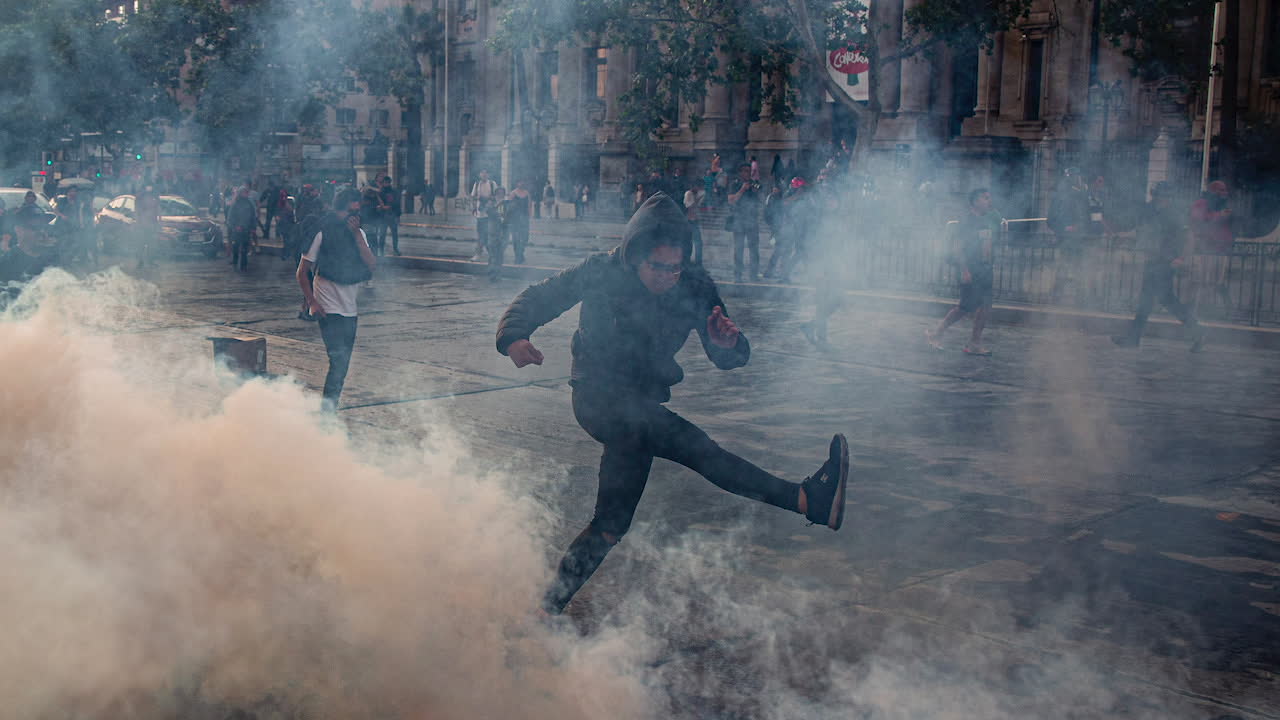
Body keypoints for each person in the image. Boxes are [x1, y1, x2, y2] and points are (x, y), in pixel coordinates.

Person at [495, 192, 851, 616]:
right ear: (634, 256)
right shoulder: (602, 271)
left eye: (675, 267)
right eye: (658, 267)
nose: (668, 276)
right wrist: (514, 337)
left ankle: (547, 606)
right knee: (700, 449)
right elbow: (540, 296)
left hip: (642, 406)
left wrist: (729, 343)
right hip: (599, 398)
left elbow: (729, 354)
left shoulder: (696, 285)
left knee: (611, 525)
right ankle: (805, 498)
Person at [296, 188, 376, 413]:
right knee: (338, 361)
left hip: (350, 308)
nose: (358, 214)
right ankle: (327, 414)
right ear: (345, 207)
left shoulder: (358, 233)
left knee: (343, 364)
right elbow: (302, 272)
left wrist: (358, 236)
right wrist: (312, 302)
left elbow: (371, 265)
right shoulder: (322, 230)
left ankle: (330, 408)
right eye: (354, 207)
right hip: (327, 307)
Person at [1112, 182, 1204, 352]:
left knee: (1149, 301)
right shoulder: (1154, 213)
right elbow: (1145, 232)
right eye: (1156, 195)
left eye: (1160, 195)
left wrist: (1181, 259)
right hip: (1154, 262)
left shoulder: (1175, 215)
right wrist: (1125, 236)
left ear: (1167, 197)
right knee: (1163, 301)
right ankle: (1197, 331)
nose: (1157, 198)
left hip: (1165, 263)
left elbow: (1189, 237)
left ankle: (1133, 339)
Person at [926, 188, 1005, 356]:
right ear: (975, 201)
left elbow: (988, 244)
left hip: (985, 269)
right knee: (965, 307)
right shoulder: (967, 222)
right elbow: (958, 248)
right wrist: (964, 270)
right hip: (971, 268)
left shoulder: (985, 221)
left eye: (989, 198)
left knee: (985, 306)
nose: (988, 201)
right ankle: (936, 334)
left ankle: (974, 343)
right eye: (985, 198)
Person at [1046, 167, 1091, 303]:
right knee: (1065, 268)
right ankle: (1058, 295)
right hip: (1067, 239)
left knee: (1078, 268)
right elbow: (1051, 219)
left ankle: (1079, 297)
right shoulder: (1061, 196)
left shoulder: (1080, 195)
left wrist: (1079, 227)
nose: (1079, 179)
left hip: (1078, 239)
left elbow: (1086, 218)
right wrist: (1064, 229)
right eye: (1076, 176)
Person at [1190, 180, 1234, 312]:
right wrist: (1220, 215)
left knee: (1217, 282)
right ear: (1213, 191)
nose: (1224, 193)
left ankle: (1209, 308)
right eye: (1221, 190)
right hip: (1205, 249)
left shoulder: (1221, 205)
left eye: (1225, 190)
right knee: (1203, 282)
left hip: (1220, 249)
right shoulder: (1201, 203)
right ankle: (1196, 308)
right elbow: (1200, 219)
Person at [0, 208, 56, 293]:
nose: (42, 231)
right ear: (19, 230)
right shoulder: (6, 262)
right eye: (35, 228)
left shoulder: (54, 257)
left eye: (44, 227)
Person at [727, 163, 762, 282]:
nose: (748, 173)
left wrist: (755, 190)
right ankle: (738, 275)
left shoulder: (755, 183)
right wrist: (742, 189)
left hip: (752, 220)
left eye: (749, 171)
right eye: (746, 171)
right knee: (739, 249)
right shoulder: (735, 184)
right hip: (739, 220)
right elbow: (731, 200)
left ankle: (754, 274)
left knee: (754, 249)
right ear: (741, 172)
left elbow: (759, 200)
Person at [53, 185, 94, 266]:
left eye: (75, 191)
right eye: (71, 191)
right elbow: (55, 210)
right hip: (62, 226)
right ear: (68, 192)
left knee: (74, 243)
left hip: (73, 226)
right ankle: (61, 262)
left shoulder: (78, 202)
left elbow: (80, 214)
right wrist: (62, 216)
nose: (73, 193)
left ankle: (69, 260)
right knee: (63, 243)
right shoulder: (62, 200)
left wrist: (81, 224)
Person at [227, 185, 258, 272]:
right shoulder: (235, 204)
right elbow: (230, 218)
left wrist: (253, 227)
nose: (246, 194)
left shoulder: (249, 203)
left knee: (244, 248)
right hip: (237, 230)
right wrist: (235, 226)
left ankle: (244, 266)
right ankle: (235, 261)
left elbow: (253, 216)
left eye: (247, 192)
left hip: (246, 229)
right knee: (236, 247)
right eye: (244, 192)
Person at [470, 170, 498, 261]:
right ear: (479, 174)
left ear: (488, 174)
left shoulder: (492, 184)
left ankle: (490, 254)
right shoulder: (477, 184)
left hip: (490, 214)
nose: (484, 174)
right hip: (480, 214)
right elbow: (473, 197)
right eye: (482, 172)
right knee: (481, 235)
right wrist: (474, 207)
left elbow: (498, 197)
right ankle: (481, 253)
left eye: (486, 172)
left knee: (489, 235)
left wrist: (488, 199)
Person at [134, 185, 161, 270]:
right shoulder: (140, 197)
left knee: (152, 244)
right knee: (141, 244)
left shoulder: (155, 196)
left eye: (150, 186)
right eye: (148, 186)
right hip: (142, 225)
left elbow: (158, 210)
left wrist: (159, 221)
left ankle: (150, 261)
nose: (149, 188)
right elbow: (137, 211)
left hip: (152, 225)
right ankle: (140, 262)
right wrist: (138, 223)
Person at [507, 179, 533, 265]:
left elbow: (529, 205)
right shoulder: (513, 193)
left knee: (525, 238)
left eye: (523, 181)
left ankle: (520, 253)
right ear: (516, 183)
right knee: (516, 239)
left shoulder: (527, 193)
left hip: (524, 219)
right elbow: (509, 205)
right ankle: (518, 257)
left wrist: (529, 216)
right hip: (515, 219)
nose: (521, 183)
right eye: (519, 182)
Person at [378, 176, 402, 255]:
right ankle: (381, 250)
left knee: (394, 234)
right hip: (383, 216)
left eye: (387, 182)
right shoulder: (380, 192)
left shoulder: (394, 192)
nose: (386, 184)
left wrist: (398, 216)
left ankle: (395, 249)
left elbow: (397, 204)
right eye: (385, 182)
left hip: (392, 215)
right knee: (382, 234)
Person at [683, 184, 704, 266]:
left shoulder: (696, 194)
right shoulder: (689, 194)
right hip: (689, 221)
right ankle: (687, 262)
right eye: (698, 187)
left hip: (694, 221)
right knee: (689, 242)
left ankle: (698, 263)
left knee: (698, 243)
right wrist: (698, 199)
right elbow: (690, 206)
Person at [360, 187, 384, 256]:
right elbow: (381, 206)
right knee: (370, 242)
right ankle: (372, 256)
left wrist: (377, 195)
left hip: (371, 225)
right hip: (367, 224)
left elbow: (381, 206)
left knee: (371, 242)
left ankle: (373, 256)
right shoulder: (365, 202)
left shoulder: (372, 201)